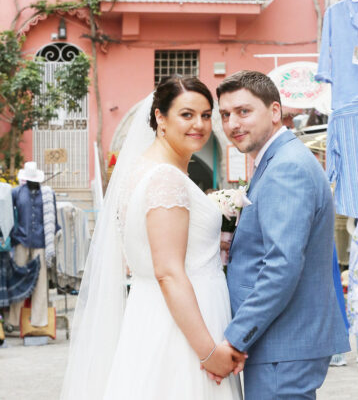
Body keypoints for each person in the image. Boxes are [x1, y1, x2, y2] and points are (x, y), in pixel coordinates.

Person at [60, 76, 243, 400]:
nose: (199, 124)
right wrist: (207, 352)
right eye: (186, 114)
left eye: (204, 115)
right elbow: (168, 271)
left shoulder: (143, 171)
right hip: (184, 328)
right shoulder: (165, 179)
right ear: (160, 117)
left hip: (155, 315)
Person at [216, 70, 350, 399]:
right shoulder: (275, 162)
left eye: (243, 111)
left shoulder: (285, 167)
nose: (233, 123)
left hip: (284, 343)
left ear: (275, 112)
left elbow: (282, 264)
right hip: (283, 343)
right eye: (225, 114)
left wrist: (236, 337)